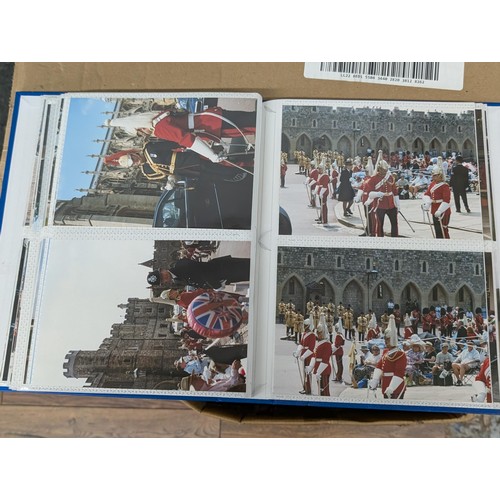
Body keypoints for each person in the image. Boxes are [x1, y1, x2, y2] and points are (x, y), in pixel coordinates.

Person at [105, 106, 256, 164]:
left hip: (210, 125)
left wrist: (211, 155)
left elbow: (187, 139)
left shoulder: (158, 128)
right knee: (251, 122)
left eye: (140, 132)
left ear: (140, 127)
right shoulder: (158, 117)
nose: (144, 134)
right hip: (211, 119)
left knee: (253, 123)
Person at [146, 255, 250, 289]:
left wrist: (216, 286)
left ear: (162, 270)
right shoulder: (177, 280)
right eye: (162, 280)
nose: (165, 278)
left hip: (225, 268)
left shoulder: (180, 265)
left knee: (254, 266)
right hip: (225, 277)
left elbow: (201, 271)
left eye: (162, 275)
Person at [368, 315, 407, 399]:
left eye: (388, 340)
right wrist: (375, 380)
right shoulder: (386, 352)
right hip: (385, 384)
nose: (386, 342)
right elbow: (379, 366)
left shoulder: (400, 354)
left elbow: (399, 373)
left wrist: (392, 387)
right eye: (385, 340)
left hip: (396, 387)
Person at [363, 150, 399, 237]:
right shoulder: (373, 179)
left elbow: (394, 190)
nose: (385, 172)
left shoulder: (389, 177)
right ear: (379, 169)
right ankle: (380, 240)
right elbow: (369, 193)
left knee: (394, 224)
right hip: (380, 204)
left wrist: (398, 204)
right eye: (383, 170)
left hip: (391, 204)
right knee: (380, 225)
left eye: (386, 170)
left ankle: (395, 240)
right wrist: (378, 194)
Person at [422, 161, 452, 238]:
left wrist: (440, 210)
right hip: (434, 208)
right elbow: (427, 194)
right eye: (433, 175)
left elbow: (446, 200)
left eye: (435, 175)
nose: (433, 177)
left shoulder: (445, 186)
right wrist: (427, 203)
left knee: (443, 229)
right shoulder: (432, 184)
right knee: (437, 229)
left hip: (443, 210)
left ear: (440, 175)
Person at [309, 315, 332, 396]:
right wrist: (311, 367)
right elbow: (314, 356)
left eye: (320, 332)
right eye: (318, 332)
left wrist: (319, 372)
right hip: (318, 368)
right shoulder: (319, 343)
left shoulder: (327, 344)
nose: (318, 334)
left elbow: (325, 360)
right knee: (320, 390)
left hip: (324, 369)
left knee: (324, 391)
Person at [293, 318, 316, 394]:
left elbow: (311, 348)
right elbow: (301, 344)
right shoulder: (304, 333)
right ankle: (305, 387)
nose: (304, 326)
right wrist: (297, 352)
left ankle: (308, 389)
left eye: (306, 325)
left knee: (307, 372)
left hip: (308, 355)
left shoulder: (312, 335)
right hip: (304, 354)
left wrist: (304, 356)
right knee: (304, 373)